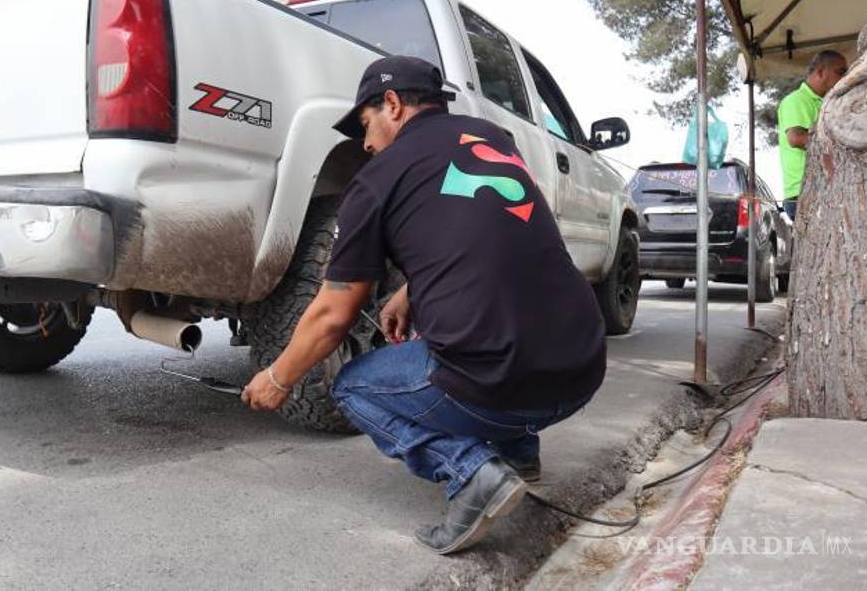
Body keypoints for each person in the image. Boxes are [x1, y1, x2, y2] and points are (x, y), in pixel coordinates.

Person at [240, 56, 606, 555]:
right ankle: (520, 452)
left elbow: (332, 316)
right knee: (485, 322)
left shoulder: (376, 179)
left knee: (353, 386)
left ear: (392, 104)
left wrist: (278, 378)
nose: (365, 145)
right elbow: (485, 226)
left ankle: (473, 474)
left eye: (366, 126)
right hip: (581, 368)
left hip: (505, 384)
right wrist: (409, 292)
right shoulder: (491, 138)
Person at [777, 50, 847, 220]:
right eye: (841, 72)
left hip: (824, 188)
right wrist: (842, 143)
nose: (845, 78)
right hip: (804, 193)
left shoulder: (827, 103)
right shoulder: (796, 101)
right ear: (821, 72)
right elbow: (796, 138)